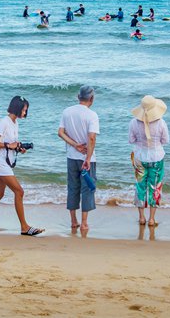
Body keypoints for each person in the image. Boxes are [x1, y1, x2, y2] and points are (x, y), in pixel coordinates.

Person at [0, 96, 43, 236]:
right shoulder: (4, 122)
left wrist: (18, 148)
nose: (25, 113)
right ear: (18, 108)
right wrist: (8, 145)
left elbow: (11, 144)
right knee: (19, 192)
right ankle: (24, 227)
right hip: (1, 164)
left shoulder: (14, 123)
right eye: (24, 110)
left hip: (6, 162)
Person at [58, 86, 99, 235]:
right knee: (87, 189)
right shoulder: (92, 115)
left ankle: (73, 221)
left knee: (73, 188)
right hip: (86, 159)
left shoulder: (67, 112)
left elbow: (60, 133)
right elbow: (92, 137)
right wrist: (88, 158)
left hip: (71, 156)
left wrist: (74, 145)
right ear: (91, 99)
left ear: (78, 96)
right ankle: (84, 223)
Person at [129, 95, 169, 226]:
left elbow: (131, 140)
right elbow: (165, 141)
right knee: (155, 187)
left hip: (140, 157)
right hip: (157, 157)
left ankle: (141, 217)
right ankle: (151, 219)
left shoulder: (134, 122)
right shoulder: (161, 123)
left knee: (140, 186)